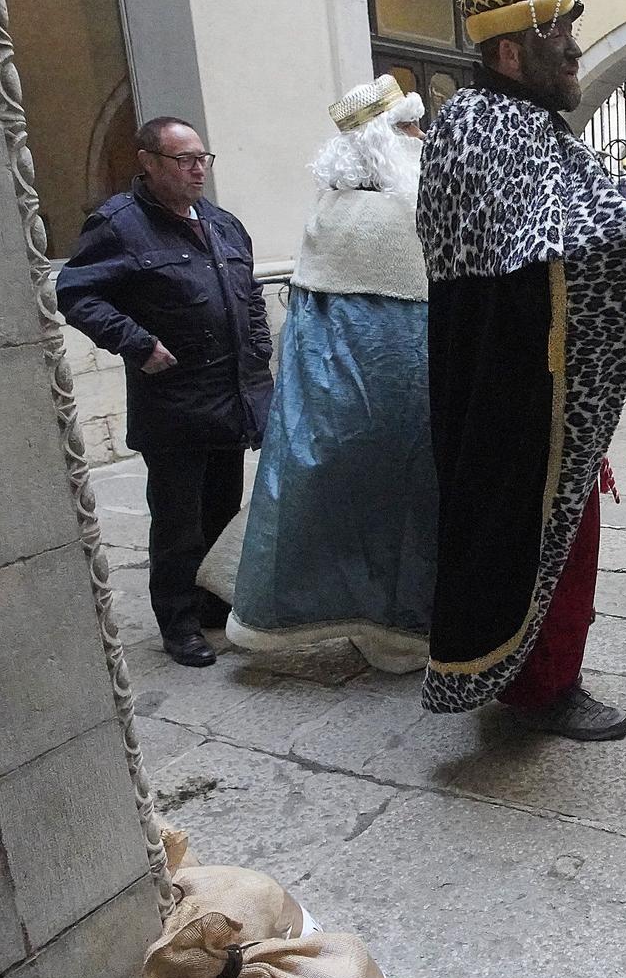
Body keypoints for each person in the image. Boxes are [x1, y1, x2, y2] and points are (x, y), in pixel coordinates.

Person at [418, 0, 626, 740]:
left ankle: (536, 675)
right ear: (509, 51)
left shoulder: (520, 122)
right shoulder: (481, 124)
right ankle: (542, 688)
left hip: (534, 379)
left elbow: (564, 228)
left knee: (557, 532)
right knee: (546, 535)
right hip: (514, 384)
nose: (579, 57)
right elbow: (547, 240)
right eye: (564, 45)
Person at [222, 76, 434, 673]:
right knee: (402, 513)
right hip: (397, 408)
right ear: (384, 142)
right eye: (412, 128)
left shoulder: (331, 209)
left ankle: (363, 623)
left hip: (333, 408)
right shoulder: (398, 210)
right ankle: (396, 630)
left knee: (342, 510)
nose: (423, 137)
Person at [57, 116, 273, 668]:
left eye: (203, 157)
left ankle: (209, 605)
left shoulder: (223, 224)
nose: (197, 168)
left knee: (221, 508)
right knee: (179, 520)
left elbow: (248, 293)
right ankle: (177, 625)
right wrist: (137, 343)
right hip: (175, 401)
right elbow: (77, 293)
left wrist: (259, 345)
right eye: (183, 160)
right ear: (148, 163)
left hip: (229, 396)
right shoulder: (119, 225)